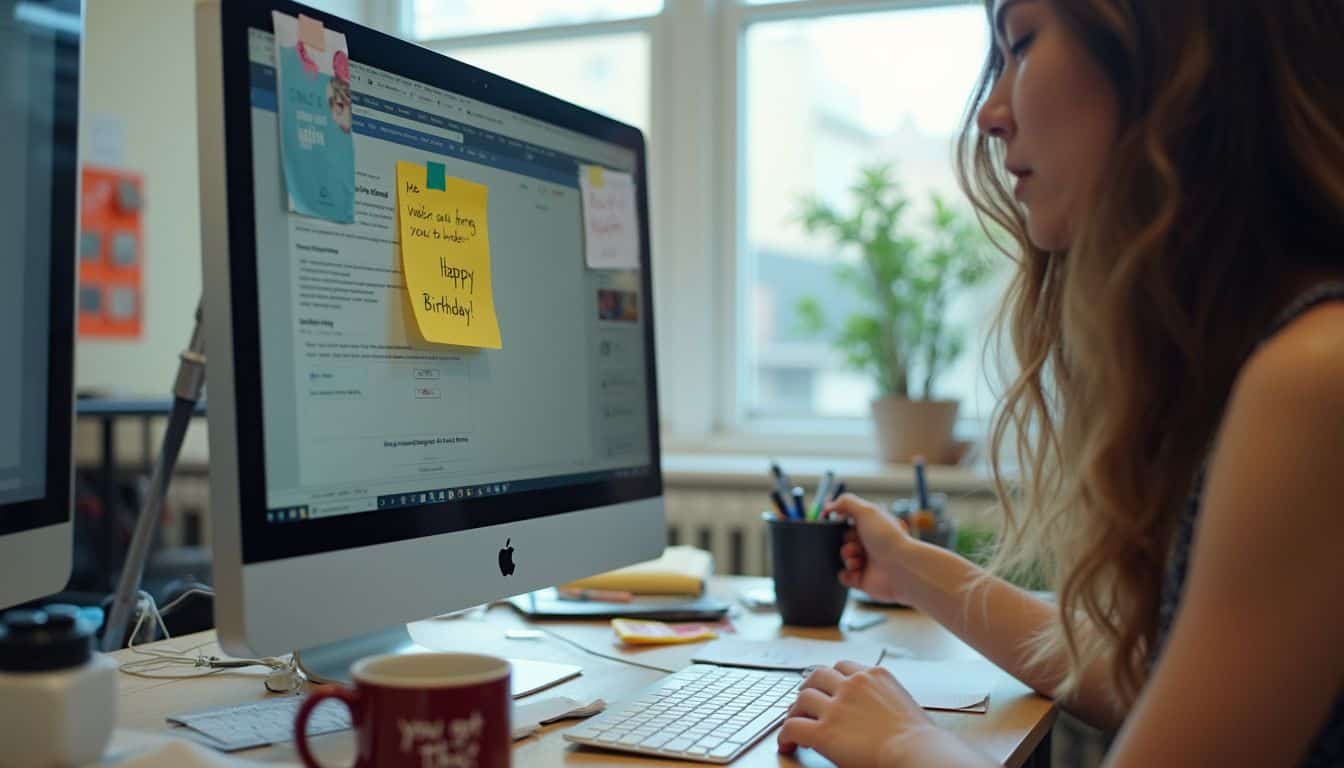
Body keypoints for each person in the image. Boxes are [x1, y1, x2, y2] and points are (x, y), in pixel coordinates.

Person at [777, 1, 1344, 765]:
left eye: (1021, 44)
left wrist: (907, 744)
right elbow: (1146, 679)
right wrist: (910, 567)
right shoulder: (1273, 355)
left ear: (1168, 53)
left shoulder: (1316, 376)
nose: (990, 113)